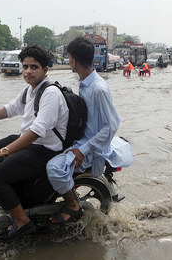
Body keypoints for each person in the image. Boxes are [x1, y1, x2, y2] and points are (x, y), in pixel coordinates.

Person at [0, 45, 69, 242]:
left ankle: (23, 222)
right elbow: (8, 110)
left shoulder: (50, 94)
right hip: (31, 142)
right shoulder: (30, 90)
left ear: (45, 70)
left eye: (34, 67)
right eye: (25, 66)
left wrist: (4, 151)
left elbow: (37, 131)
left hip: (45, 149)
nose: (28, 71)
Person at [46, 37, 133, 223]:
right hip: (82, 141)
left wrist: (82, 150)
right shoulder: (84, 82)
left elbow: (110, 126)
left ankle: (72, 205)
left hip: (91, 149)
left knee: (53, 168)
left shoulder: (98, 88)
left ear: (74, 60)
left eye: (69, 57)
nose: (69, 61)